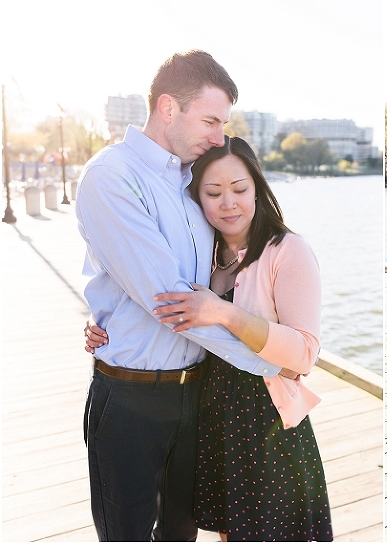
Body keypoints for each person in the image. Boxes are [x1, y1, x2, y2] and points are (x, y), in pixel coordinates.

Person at [76, 50, 286, 541]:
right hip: (130, 397)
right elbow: (171, 301)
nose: (220, 136)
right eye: (211, 120)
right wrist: (275, 356)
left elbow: (222, 273)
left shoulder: (193, 183)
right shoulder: (112, 175)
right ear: (168, 108)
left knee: (180, 533)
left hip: (196, 393)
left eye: (224, 123)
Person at [88, 136, 333, 540]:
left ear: (258, 188)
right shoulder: (203, 250)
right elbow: (144, 283)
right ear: (196, 197)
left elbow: (305, 354)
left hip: (265, 423)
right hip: (209, 419)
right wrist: (103, 322)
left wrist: (223, 311)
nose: (228, 203)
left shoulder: (287, 251)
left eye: (239, 189)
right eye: (213, 192)